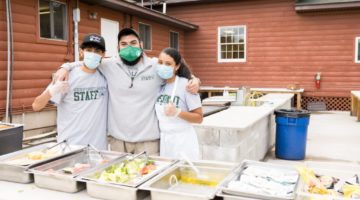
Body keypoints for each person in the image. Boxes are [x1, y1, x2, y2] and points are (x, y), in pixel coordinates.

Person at [54, 28, 201, 155]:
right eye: (123, 44)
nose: (128, 47)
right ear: (118, 47)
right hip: (118, 142)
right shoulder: (109, 65)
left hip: (148, 142)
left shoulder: (155, 65)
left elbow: (175, 68)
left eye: (133, 43)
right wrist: (65, 66)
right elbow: (88, 61)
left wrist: (194, 79)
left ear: (141, 45)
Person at [32, 33, 108, 150]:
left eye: (97, 51)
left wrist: (66, 65)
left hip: (98, 148)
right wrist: (51, 91)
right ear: (81, 52)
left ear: (103, 54)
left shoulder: (105, 76)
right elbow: (36, 106)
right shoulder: (67, 76)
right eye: (89, 50)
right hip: (70, 147)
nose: (92, 54)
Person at [155, 48, 203, 160]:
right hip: (165, 140)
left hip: (183, 141)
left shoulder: (187, 85)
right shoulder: (159, 84)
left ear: (176, 66)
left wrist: (177, 112)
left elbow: (199, 118)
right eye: (160, 62)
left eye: (168, 64)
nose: (163, 66)